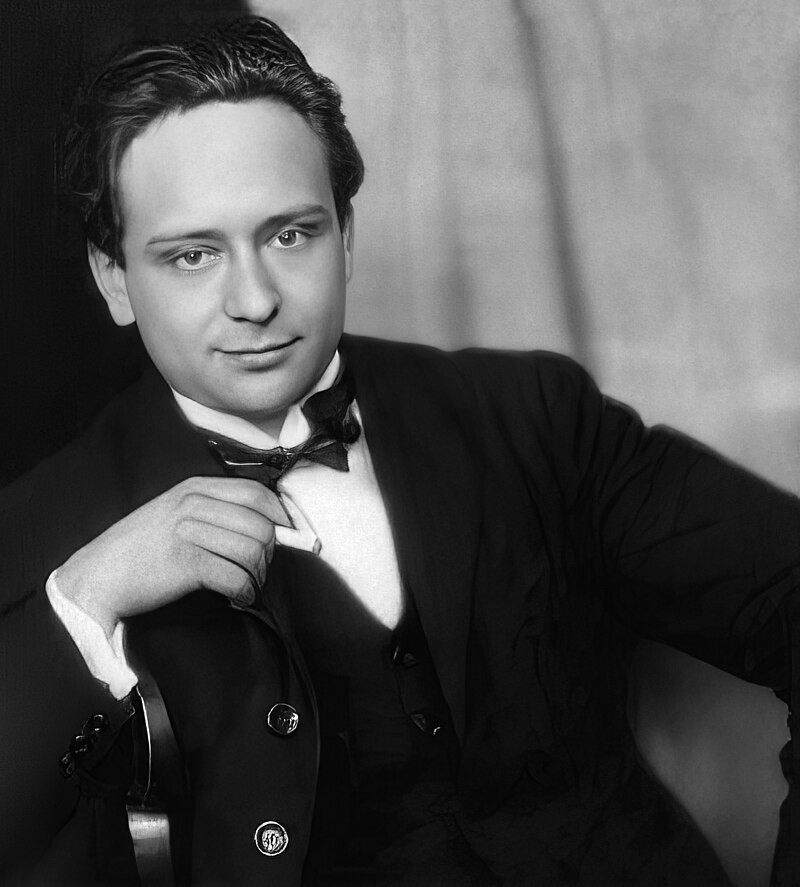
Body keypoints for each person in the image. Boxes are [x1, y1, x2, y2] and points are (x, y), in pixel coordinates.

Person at [0, 14, 798, 886]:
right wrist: (84, 599)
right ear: (114, 278)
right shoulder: (43, 531)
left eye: (290, 234)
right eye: (193, 255)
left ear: (346, 235)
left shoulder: (533, 415)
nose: (255, 300)